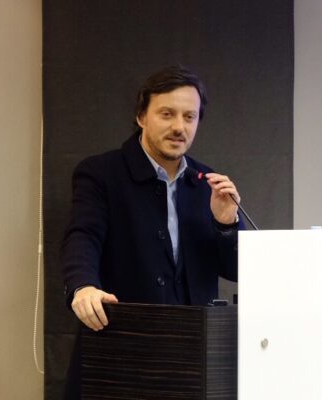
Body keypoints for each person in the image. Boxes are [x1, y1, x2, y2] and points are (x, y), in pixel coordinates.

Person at [61, 65, 244, 397]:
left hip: (193, 359)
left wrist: (226, 224)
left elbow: (235, 270)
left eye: (189, 117)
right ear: (141, 116)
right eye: (167, 114)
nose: (179, 127)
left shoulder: (207, 183)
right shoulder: (101, 173)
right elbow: (83, 236)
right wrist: (83, 287)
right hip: (121, 350)